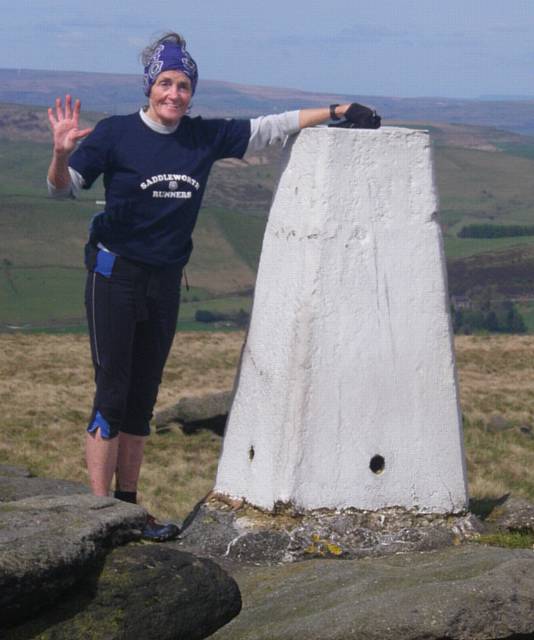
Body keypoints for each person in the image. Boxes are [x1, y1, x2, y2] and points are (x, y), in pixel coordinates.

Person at [47, 31, 363, 541]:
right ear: (149, 85)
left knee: (143, 397)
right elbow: (61, 192)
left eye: (184, 86)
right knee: (112, 392)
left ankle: (128, 508)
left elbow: (270, 128)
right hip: (116, 275)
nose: (174, 94)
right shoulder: (115, 134)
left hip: (165, 280)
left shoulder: (201, 137)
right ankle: (98, 512)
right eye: (166, 83)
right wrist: (61, 154)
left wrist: (336, 109)